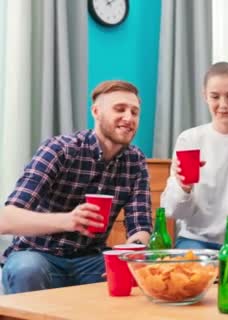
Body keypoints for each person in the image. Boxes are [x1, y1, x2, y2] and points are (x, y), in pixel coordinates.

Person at [0, 80, 152, 294]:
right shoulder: (60, 149)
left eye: (134, 112)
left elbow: (140, 226)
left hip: (90, 260)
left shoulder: (135, 161)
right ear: (96, 112)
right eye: (120, 109)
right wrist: (68, 220)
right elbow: (6, 219)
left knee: (138, 274)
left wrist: (131, 254)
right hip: (38, 254)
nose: (129, 118)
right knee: (27, 269)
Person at [160, 62, 228, 250]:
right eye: (215, 96)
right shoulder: (190, 140)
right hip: (196, 242)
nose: (223, 105)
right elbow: (172, 211)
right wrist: (183, 187)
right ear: (205, 96)